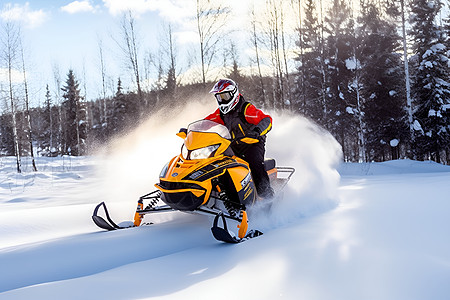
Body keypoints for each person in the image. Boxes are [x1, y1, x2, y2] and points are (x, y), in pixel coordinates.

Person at [205, 78, 274, 199]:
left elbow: (266, 120)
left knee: (254, 162)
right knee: (216, 161)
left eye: (225, 96)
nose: (222, 100)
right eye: (219, 97)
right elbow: (207, 122)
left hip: (253, 143)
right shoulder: (221, 113)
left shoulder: (246, 109)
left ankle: (267, 195)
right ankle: (219, 193)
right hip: (234, 143)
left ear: (234, 94)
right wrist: (190, 130)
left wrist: (257, 131)